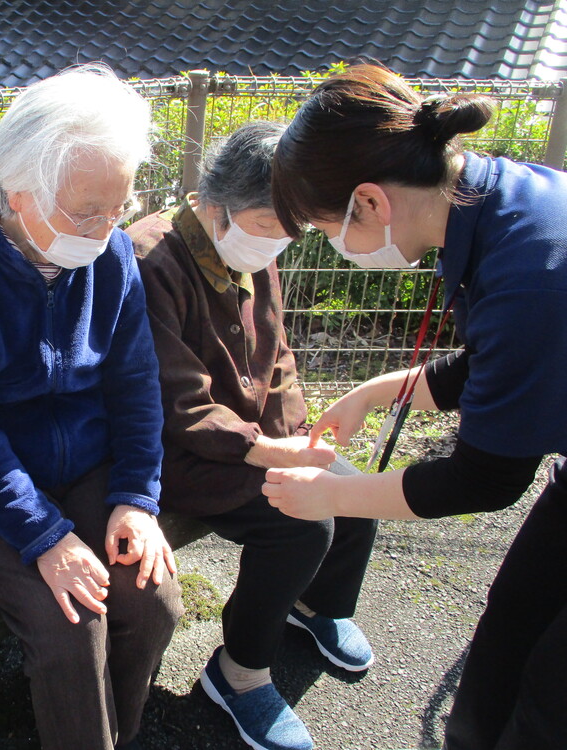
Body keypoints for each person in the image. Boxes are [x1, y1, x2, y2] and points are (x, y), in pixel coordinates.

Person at [264, 63, 567, 750]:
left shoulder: (531, 270)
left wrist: (331, 495)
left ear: (368, 202)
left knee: (548, 703)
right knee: (509, 634)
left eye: (325, 227)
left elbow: (485, 480)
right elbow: (491, 366)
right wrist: (376, 391)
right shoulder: (491, 202)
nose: (336, 248)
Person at [0, 65, 183, 750]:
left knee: (151, 602)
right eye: (85, 211)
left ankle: (113, 732)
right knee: (69, 631)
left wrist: (136, 499)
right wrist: (45, 538)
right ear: (18, 190)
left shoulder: (112, 254)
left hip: (88, 465)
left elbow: (135, 386)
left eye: (117, 207)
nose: (105, 227)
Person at [128, 122, 378, 750]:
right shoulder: (148, 258)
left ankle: (315, 606)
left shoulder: (250, 251)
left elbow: (280, 358)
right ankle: (238, 674)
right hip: (173, 454)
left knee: (353, 495)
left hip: (245, 441)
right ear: (214, 202)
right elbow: (175, 401)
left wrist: (303, 439)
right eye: (266, 225)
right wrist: (269, 453)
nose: (276, 243)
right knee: (302, 523)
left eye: (289, 232)